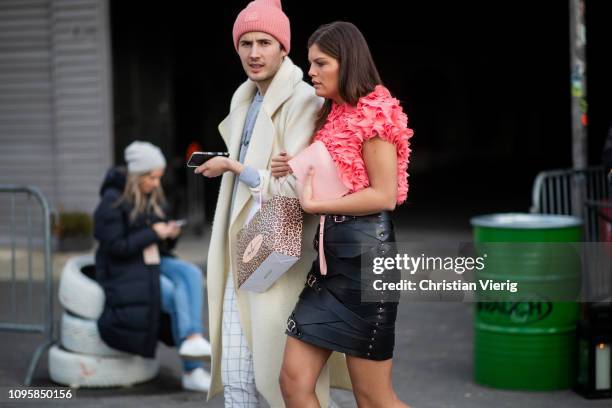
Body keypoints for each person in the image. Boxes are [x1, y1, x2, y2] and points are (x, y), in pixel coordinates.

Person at [194, 0, 350, 406]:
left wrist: (234, 166)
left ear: (284, 48)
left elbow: (296, 188)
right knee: (238, 376)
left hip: (280, 252)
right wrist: (237, 167)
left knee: (287, 384)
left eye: (265, 41)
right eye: (245, 42)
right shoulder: (244, 99)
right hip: (244, 248)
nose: (254, 52)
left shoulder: (303, 100)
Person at [277, 22, 414, 408]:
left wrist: (318, 207)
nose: (311, 72)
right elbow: (339, 172)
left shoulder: (376, 110)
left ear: (347, 62)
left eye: (321, 63)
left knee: (373, 398)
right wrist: (291, 166)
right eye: (310, 63)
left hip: (367, 263)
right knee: (293, 381)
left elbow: (383, 195)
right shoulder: (332, 112)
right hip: (329, 266)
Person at [94, 141, 212, 392]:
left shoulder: (152, 195)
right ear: (137, 175)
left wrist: (170, 233)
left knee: (191, 273)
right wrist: (153, 233)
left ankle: (193, 338)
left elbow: (163, 244)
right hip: (126, 267)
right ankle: (192, 368)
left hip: (153, 259)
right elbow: (115, 247)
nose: (156, 183)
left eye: (159, 177)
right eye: (152, 177)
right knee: (171, 292)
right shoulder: (111, 201)